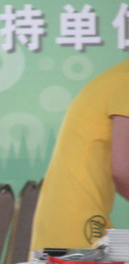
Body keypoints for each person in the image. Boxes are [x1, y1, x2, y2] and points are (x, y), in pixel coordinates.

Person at [31, 59, 129, 250]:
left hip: (69, 220)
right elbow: (124, 171)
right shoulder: (125, 82)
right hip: (77, 226)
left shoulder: (119, 76)